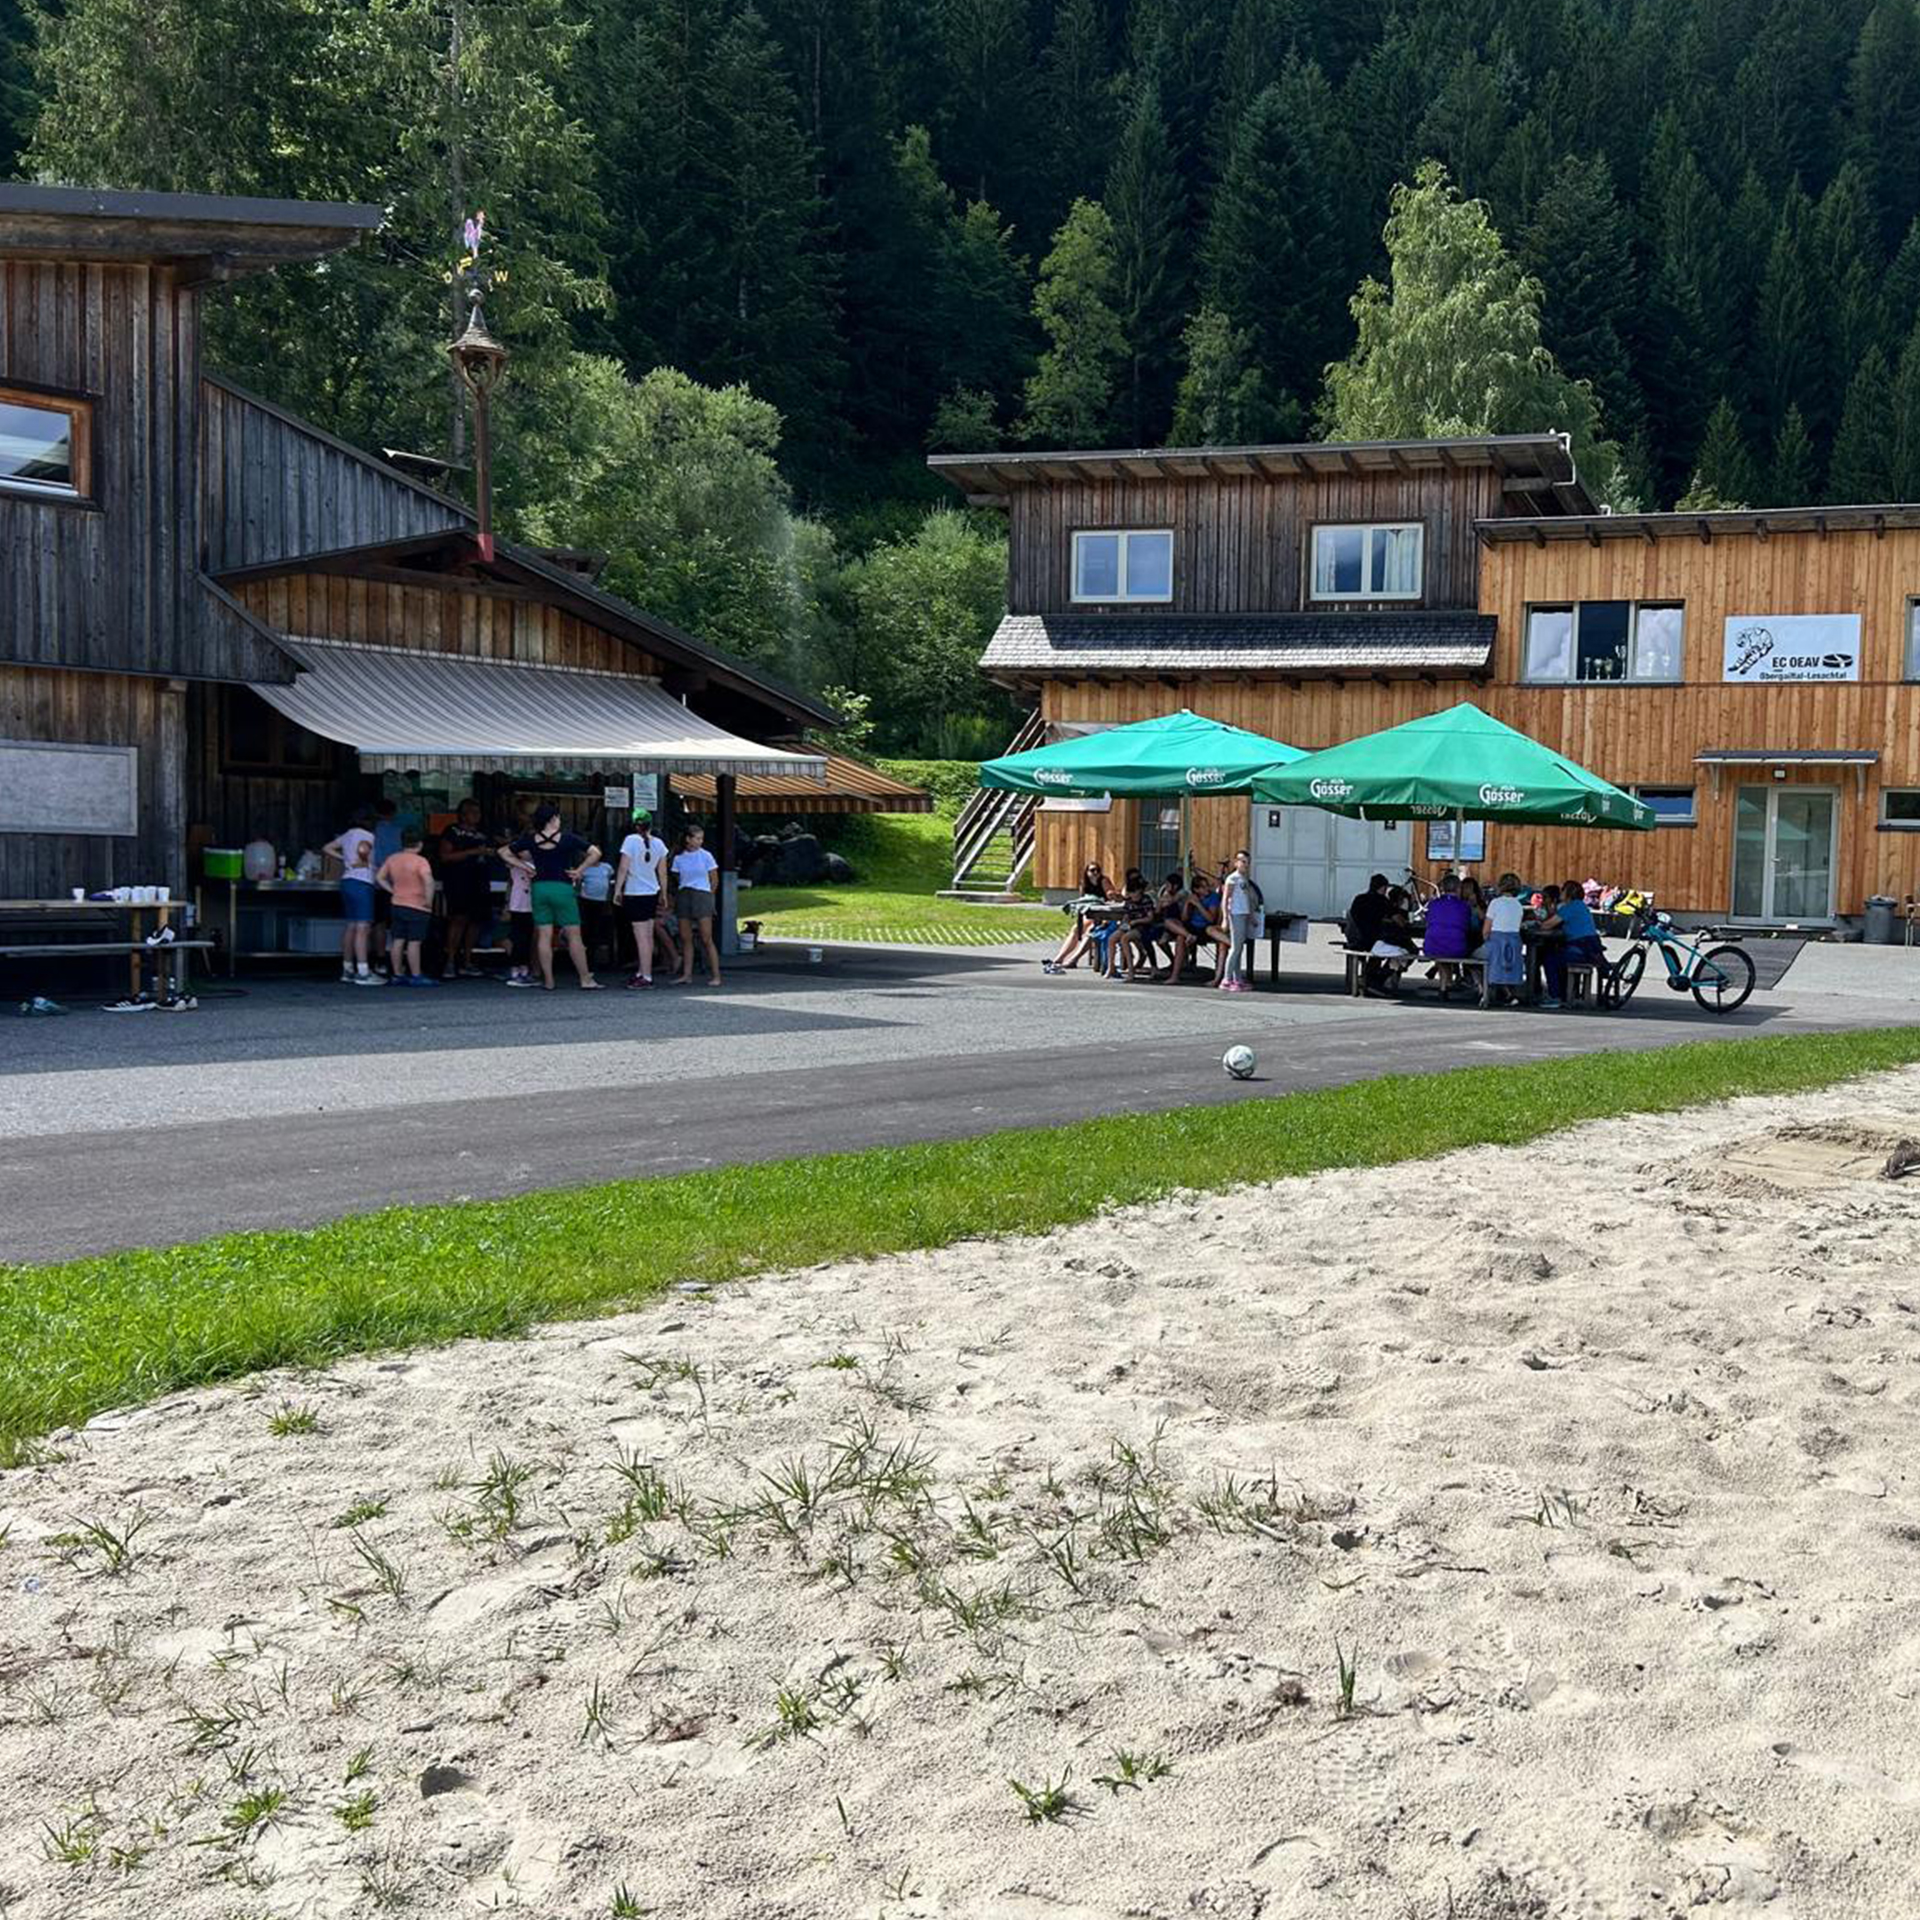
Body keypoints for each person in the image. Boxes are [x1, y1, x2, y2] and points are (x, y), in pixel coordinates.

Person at [508, 805, 603, 990]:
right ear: (553, 819)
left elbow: (503, 852)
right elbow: (595, 853)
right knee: (574, 935)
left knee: (544, 935)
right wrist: (579, 870)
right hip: (562, 887)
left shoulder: (532, 839)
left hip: (539, 888)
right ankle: (585, 979)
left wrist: (525, 867)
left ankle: (549, 981)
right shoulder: (568, 838)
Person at [323, 806, 383, 986]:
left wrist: (344, 859)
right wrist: (370, 866)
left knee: (351, 925)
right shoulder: (368, 836)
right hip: (362, 881)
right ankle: (363, 972)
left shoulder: (347, 834)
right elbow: (363, 857)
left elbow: (327, 848)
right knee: (363, 927)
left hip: (347, 881)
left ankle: (347, 969)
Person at [613, 808, 670, 989]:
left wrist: (617, 890)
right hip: (652, 891)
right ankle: (642, 972)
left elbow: (623, 868)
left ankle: (646, 976)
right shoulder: (659, 843)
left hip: (635, 892)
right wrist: (664, 893)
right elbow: (662, 872)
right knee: (648, 934)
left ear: (635, 825)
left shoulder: (630, 840)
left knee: (641, 936)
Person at [374, 828, 438, 988]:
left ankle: (397, 974)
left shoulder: (392, 858)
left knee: (398, 940)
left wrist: (391, 890)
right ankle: (416, 975)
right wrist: (429, 900)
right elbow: (428, 881)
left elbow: (379, 877)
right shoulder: (421, 861)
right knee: (414, 942)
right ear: (420, 844)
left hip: (397, 903)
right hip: (417, 905)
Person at [439, 799, 493, 980]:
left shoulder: (482, 834)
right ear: (462, 815)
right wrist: (471, 852)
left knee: (475, 921)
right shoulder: (452, 831)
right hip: (458, 882)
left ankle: (467, 961)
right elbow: (445, 856)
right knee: (458, 920)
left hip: (480, 882)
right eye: (472, 812)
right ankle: (450, 961)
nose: (477, 816)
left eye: (478, 812)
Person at [1540, 875, 1608, 1008]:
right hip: (1591, 950)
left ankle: (1555, 996)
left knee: (1550, 959)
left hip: (1581, 950)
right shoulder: (1581, 906)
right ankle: (1569, 992)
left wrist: (1537, 923)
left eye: (1563, 890)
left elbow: (1546, 925)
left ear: (1568, 893)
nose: (1561, 892)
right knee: (1556, 954)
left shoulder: (1569, 908)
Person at [1043, 862, 1121, 975]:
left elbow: (1111, 895)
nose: (1095, 873)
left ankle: (1074, 959)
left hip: (1105, 915)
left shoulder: (1104, 881)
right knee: (1076, 929)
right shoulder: (1084, 883)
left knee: (1091, 931)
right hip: (1090, 914)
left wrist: (1112, 894)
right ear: (1087, 872)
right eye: (1092, 870)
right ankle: (1059, 958)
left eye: (1098, 870)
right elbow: (1083, 901)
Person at [671, 823, 722, 987]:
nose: (700, 841)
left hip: (702, 894)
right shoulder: (679, 858)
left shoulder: (706, 856)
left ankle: (716, 975)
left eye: (701, 839)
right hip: (685, 894)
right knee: (686, 937)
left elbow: (714, 879)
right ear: (688, 839)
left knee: (706, 937)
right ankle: (687, 975)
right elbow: (677, 877)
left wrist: (709, 895)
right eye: (697, 838)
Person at [1346, 873, 1402, 996]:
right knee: (1400, 949)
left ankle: (1368, 978)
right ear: (1382, 888)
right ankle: (1375, 980)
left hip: (1354, 940)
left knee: (1379, 946)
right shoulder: (1383, 901)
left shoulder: (1359, 899)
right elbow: (1399, 921)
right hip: (1372, 941)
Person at [1421, 872, 1475, 997]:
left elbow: (1428, 921)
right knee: (1458, 947)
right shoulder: (1464, 906)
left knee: (1441, 949)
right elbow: (1467, 925)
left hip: (1431, 946)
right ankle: (1451, 984)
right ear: (1458, 888)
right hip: (1457, 947)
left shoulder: (1433, 904)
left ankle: (1443, 987)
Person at [369, 797, 404, 975]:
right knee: (399, 922)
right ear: (394, 813)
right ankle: (399, 962)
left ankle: (380, 959)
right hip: (399, 880)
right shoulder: (399, 832)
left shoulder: (372, 832)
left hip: (377, 881)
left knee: (379, 922)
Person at [1218, 850, 1260, 993]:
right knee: (1235, 948)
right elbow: (1225, 899)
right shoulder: (1232, 879)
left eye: (1247, 862)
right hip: (1235, 915)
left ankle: (1237, 979)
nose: (1245, 865)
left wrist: (1251, 916)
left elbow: (1247, 898)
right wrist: (1225, 918)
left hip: (1243, 915)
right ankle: (1226, 979)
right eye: (1242, 861)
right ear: (1236, 863)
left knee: (1239, 948)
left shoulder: (1244, 879)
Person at [1484, 873, 1526, 1005]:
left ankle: (1483, 990)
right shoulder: (1518, 906)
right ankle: (1507, 993)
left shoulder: (1495, 903)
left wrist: (1486, 940)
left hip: (1496, 944)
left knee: (1474, 959)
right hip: (1513, 944)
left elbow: (1486, 930)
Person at [500, 841, 535, 986]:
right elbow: (503, 852)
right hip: (518, 905)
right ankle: (515, 969)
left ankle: (524, 968)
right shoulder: (515, 865)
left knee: (527, 938)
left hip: (531, 905)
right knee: (518, 938)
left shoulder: (536, 864)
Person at [577, 850, 616, 969]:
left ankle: (601, 958)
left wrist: (610, 899)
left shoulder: (607, 867)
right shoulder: (583, 868)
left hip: (603, 902)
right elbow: (578, 884)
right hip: (586, 901)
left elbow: (610, 883)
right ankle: (587, 958)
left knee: (601, 928)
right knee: (587, 928)